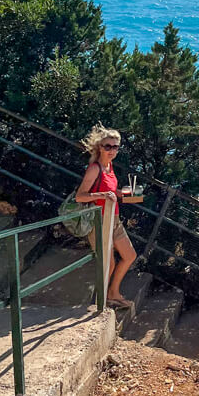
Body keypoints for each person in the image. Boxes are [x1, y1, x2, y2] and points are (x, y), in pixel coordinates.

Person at [75, 124, 137, 306]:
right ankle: (100, 303)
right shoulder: (95, 168)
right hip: (99, 221)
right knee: (108, 264)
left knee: (129, 255)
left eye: (115, 147)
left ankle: (112, 293)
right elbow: (80, 196)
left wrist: (120, 193)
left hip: (114, 219)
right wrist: (102, 195)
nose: (111, 150)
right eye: (107, 146)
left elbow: (109, 190)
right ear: (99, 147)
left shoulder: (110, 167)